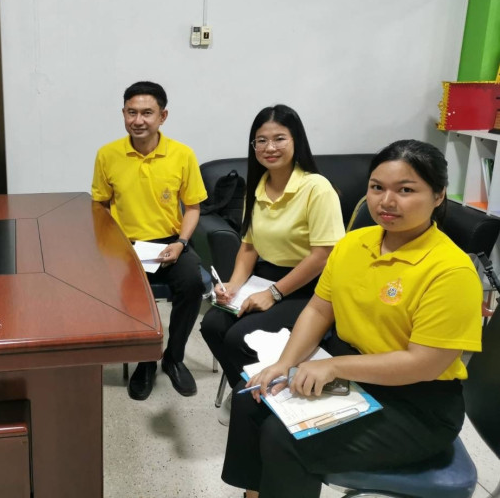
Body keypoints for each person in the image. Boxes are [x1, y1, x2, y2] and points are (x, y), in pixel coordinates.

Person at [223, 139, 483, 498]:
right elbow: (318, 309)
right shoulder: (353, 243)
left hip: (416, 404)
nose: (386, 201)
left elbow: (424, 364)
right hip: (356, 374)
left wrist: (333, 367)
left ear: (438, 196)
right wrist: (285, 363)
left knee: (285, 438)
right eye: (377, 188)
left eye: (405, 190)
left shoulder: (450, 270)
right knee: (251, 395)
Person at [200, 104, 345, 423]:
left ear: (296, 141)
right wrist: (233, 285)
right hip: (265, 277)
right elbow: (249, 247)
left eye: (279, 138)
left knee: (239, 338)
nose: (270, 147)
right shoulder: (258, 185)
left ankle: (264, 397)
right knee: (212, 326)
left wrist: (274, 294)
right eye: (261, 140)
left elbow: (323, 255)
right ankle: (250, 389)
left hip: (312, 285)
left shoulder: (316, 188)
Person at [92, 81, 207, 400]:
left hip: (172, 241)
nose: (138, 120)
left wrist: (181, 243)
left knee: (192, 283)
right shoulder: (108, 154)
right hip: (126, 245)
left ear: (162, 116)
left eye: (147, 113)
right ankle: (146, 361)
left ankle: (174, 358)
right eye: (131, 112)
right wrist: (112, 243)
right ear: (123, 114)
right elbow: (99, 205)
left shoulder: (182, 154)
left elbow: (193, 208)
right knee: (132, 294)